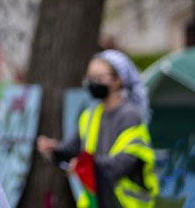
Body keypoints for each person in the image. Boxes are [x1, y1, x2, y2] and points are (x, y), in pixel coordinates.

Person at [36, 50, 158, 208]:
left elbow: (124, 162)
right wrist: (54, 149)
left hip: (126, 203)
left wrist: (86, 166)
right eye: (90, 77)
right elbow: (72, 150)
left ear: (118, 80)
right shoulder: (90, 116)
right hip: (97, 201)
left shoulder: (130, 116)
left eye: (99, 78)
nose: (92, 82)